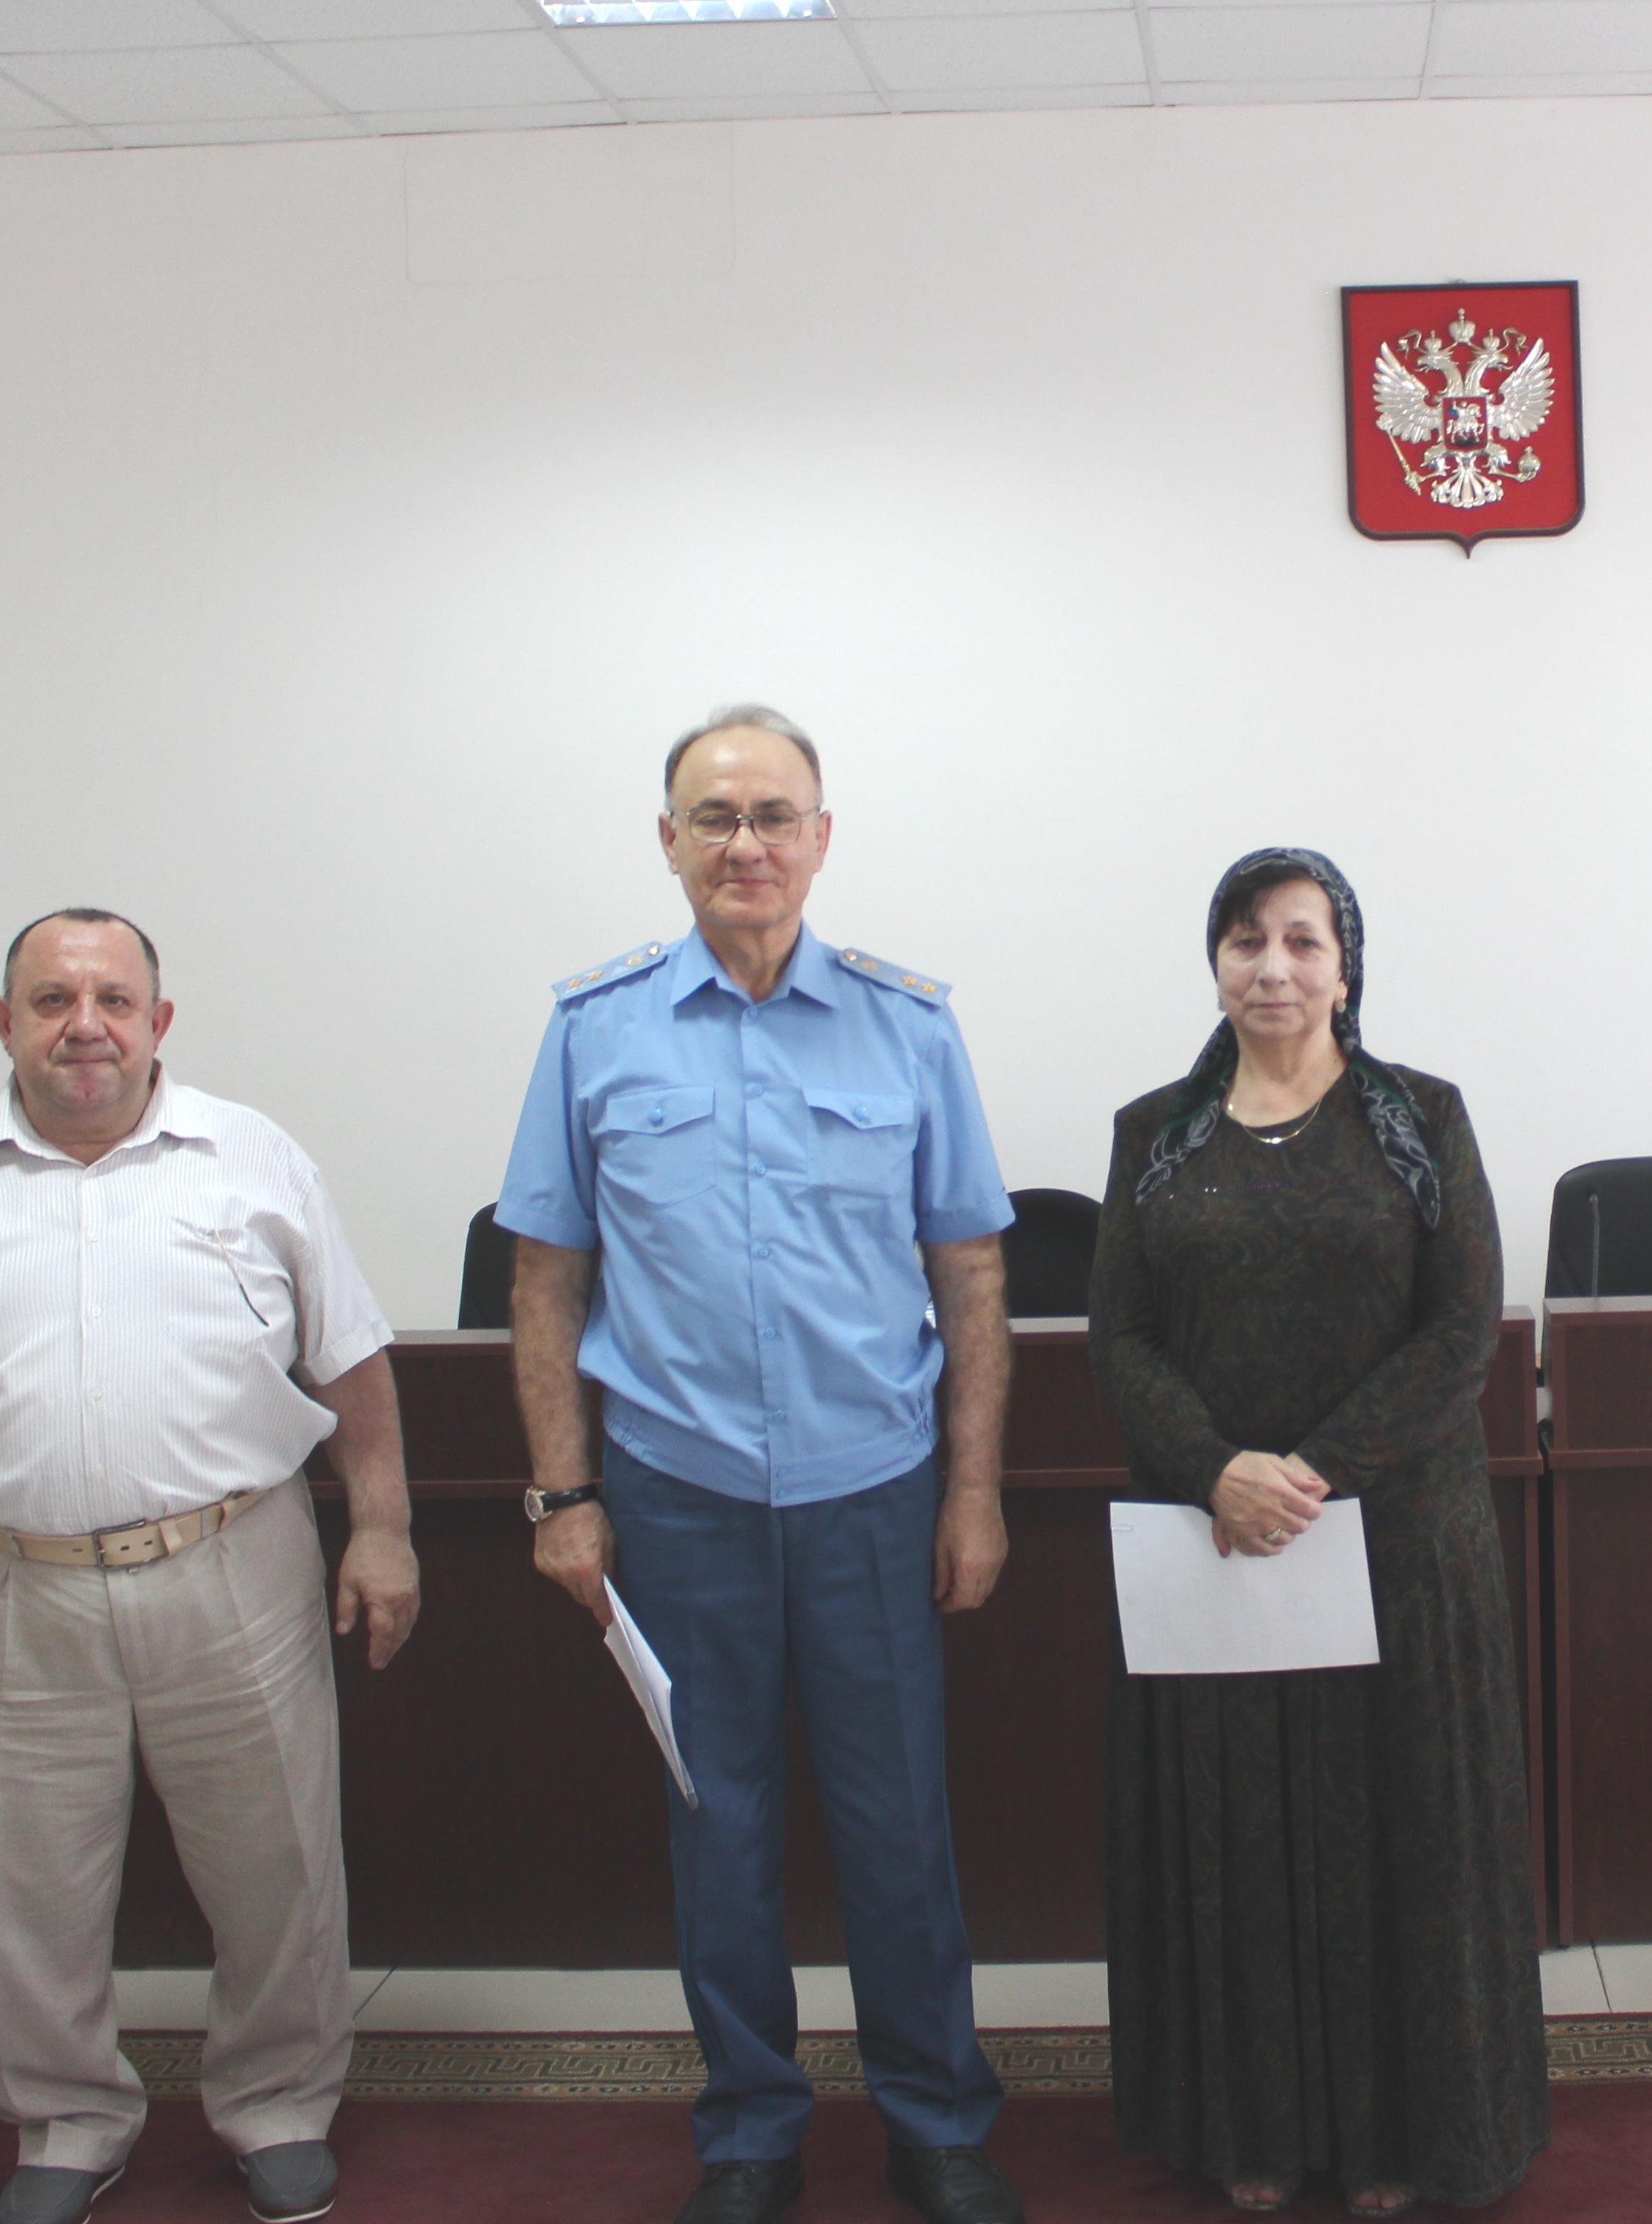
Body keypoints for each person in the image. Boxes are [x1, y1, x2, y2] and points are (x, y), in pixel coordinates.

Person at [0, 909, 420, 2224]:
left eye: (114, 1000)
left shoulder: (253, 1156)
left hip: (233, 1566)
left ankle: (278, 2103)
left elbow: (351, 1356)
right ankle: (64, 2119)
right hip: (10, 1584)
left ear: (158, 1021)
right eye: (53, 1000)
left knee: (276, 1865)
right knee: (26, 1883)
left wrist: (383, 1528)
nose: (87, 1026)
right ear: (5, 1023)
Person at [495, 705, 1028, 2224]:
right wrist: (564, 1495)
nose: (746, 844)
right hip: (679, 1497)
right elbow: (546, 1282)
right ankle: (748, 2133)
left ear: (822, 838)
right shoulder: (595, 1028)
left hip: (873, 1492)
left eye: (774, 815)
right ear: (667, 841)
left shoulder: (907, 1026)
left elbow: (973, 1276)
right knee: (717, 1831)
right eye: (715, 817)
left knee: (898, 1828)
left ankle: (937, 2123)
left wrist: (973, 1493)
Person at [1089, 850, 1548, 2217]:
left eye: (1302, 940)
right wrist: (1218, 1471)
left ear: (1347, 966)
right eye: (1246, 940)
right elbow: (1120, 1339)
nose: (1273, 967)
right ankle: (1260, 2126)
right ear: (1215, 963)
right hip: (1220, 1550)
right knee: (1240, 1836)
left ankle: (1405, 2133)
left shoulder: (1422, 1117)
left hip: (1401, 1548)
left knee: (1398, 1837)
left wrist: (1310, 1472)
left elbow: (1463, 1330)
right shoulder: (1154, 1135)